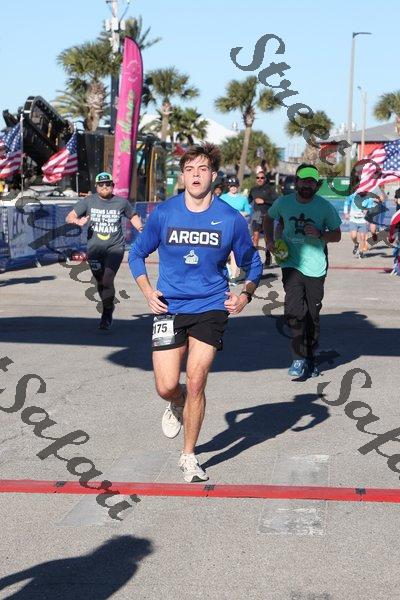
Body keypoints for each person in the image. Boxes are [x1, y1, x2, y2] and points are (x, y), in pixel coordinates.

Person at [128, 143, 262, 483]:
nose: (196, 175)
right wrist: (147, 292)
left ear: (213, 176)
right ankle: (177, 401)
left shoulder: (230, 219)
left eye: (202, 169)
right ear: (183, 177)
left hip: (211, 306)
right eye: (189, 170)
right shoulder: (165, 213)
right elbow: (136, 253)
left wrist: (245, 296)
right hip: (169, 306)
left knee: (197, 379)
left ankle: (188, 455)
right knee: (166, 386)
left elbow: (253, 263)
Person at [264, 164, 342, 379]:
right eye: (303, 180)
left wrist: (320, 234)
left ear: (316, 185)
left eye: (311, 182)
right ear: (296, 182)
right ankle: (298, 357)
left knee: (312, 315)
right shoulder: (284, 202)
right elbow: (269, 218)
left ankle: (311, 356)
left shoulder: (324, 207)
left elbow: (337, 235)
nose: (307, 185)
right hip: (291, 263)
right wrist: (269, 240)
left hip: (315, 267)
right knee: (294, 311)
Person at [66, 172, 143, 329]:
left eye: (108, 184)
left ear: (112, 186)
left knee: (107, 279)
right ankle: (108, 304)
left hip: (115, 248)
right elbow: (69, 216)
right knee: (100, 282)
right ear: (96, 186)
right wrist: (77, 221)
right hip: (94, 250)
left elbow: (133, 216)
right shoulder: (89, 201)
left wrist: (142, 229)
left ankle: (106, 312)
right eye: (101, 184)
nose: (104, 187)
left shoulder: (121, 202)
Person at [220, 176, 252, 283]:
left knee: (234, 251)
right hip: (224, 227)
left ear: (238, 186)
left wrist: (241, 213)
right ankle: (225, 270)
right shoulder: (223, 198)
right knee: (224, 250)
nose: (233, 188)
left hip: (237, 227)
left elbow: (248, 211)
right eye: (231, 186)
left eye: (235, 186)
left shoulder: (243, 198)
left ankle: (233, 277)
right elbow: (218, 211)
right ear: (228, 186)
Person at [248, 170, 278, 267]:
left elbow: (276, 201)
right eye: (258, 178)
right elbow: (249, 200)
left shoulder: (270, 189)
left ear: (265, 179)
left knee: (267, 238)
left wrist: (264, 201)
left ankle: (268, 258)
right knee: (255, 236)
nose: (260, 179)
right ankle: (254, 259)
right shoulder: (253, 189)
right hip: (256, 214)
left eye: (262, 178)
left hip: (267, 215)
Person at [343, 190, 375, 258]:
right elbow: (346, 203)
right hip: (353, 219)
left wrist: (367, 211)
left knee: (362, 237)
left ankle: (361, 252)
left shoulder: (368, 198)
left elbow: (371, 208)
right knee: (353, 236)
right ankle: (356, 244)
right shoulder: (352, 196)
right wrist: (346, 213)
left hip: (363, 220)